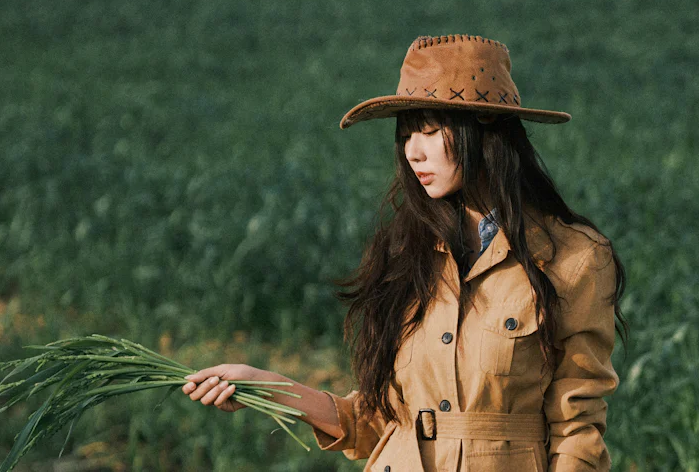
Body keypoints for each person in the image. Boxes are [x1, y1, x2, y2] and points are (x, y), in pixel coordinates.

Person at [182, 34, 629, 471]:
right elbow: (378, 422)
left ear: (485, 130)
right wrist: (266, 386)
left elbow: (578, 428)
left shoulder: (574, 258)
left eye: (431, 131)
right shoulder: (406, 250)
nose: (413, 152)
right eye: (406, 134)